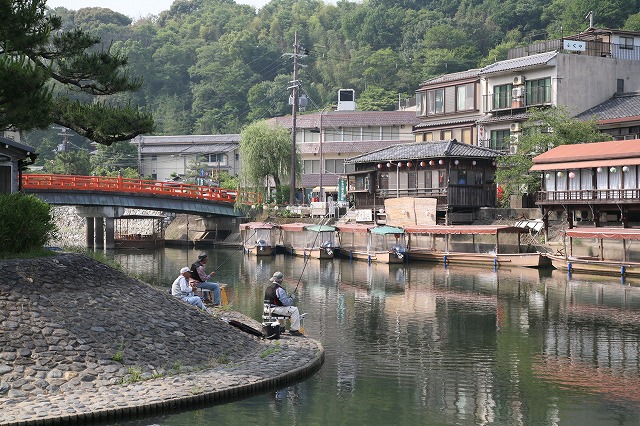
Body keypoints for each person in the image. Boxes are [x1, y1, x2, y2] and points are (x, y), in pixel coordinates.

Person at [263, 271, 303, 336]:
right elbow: (286, 303)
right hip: (274, 309)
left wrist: (289, 298)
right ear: (281, 280)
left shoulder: (268, 288)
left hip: (267, 308)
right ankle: (294, 330)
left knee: (282, 308)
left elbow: (279, 302)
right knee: (294, 310)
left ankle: (281, 327)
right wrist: (291, 298)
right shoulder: (279, 290)